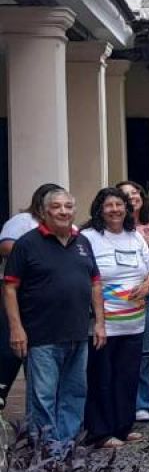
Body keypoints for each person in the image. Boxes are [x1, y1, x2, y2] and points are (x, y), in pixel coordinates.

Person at [4, 189, 105, 442]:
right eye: (57, 207)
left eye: (68, 207)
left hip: (78, 333)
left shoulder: (82, 242)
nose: (63, 212)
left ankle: (66, 448)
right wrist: (16, 328)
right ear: (44, 212)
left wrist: (101, 323)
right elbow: (9, 287)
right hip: (41, 335)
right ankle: (44, 454)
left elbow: (95, 284)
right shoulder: (27, 244)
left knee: (74, 394)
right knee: (43, 398)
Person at [81, 188, 149, 448]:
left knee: (126, 377)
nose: (115, 209)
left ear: (127, 209)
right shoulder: (88, 238)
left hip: (134, 323)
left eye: (119, 205)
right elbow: (85, 278)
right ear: (99, 209)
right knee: (102, 377)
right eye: (109, 205)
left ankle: (122, 427)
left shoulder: (135, 237)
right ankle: (100, 432)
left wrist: (147, 287)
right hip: (103, 325)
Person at [0, 182, 64, 412]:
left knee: (38, 355)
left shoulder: (61, 226)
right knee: (10, 350)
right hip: (18, 293)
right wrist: (37, 249)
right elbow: (6, 246)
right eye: (53, 203)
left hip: (47, 300)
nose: (59, 209)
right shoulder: (22, 222)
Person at [116, 180, 149, 424]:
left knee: (144, 350)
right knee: (118, 349)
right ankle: (120, 401)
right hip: (116, 297)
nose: (132, 197)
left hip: (148, 293)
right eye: (126, 194)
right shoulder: (112, 228)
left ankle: (142, 402)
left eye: (136, 193)